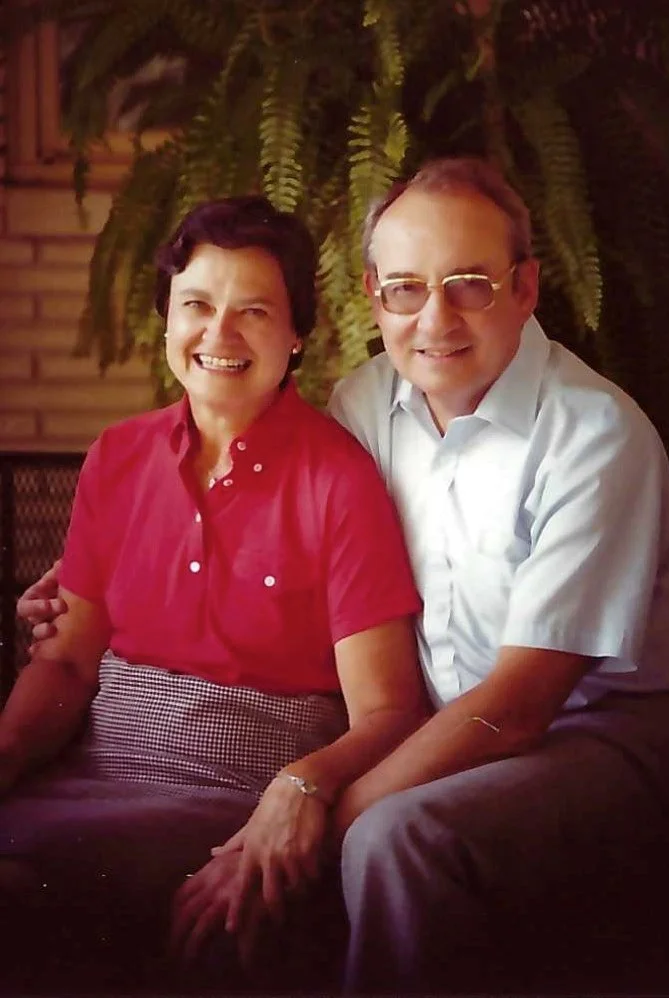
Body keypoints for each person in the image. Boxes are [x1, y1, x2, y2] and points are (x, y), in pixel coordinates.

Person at [18, 158, 669, 996]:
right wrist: (106, 571)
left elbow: (520, 705)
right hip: (452, 724)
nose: (435, 318)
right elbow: (271, 507)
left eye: (468, 284)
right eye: (404, 288)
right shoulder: (365, 404)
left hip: (603, 727)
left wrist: (307, 809)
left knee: (393, 838)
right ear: (371, 295)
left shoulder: (591, 436)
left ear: (525, 287)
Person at [2, 195, 426, 994]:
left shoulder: (339, 481)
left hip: (232, 801)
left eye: (253, 311)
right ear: (167, 318)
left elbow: (389, 712)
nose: (219, 335)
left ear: (297, 334)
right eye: (196, 305)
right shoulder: (117, 457)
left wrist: (298, 791)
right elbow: (65, 666)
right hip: (89, 775)